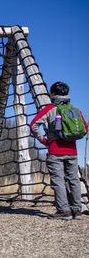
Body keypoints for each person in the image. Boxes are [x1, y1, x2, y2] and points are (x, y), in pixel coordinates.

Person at [30, 81, 88, 220]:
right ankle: (77, 210)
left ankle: (63, 211)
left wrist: (44, 140)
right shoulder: (75, 110)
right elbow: (84, 129)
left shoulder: (50, 109)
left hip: (55, 150)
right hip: (72, 151)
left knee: (59, 181)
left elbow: (33, 125)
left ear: (53, 93)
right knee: (74, 179)